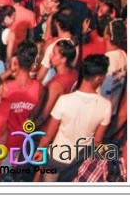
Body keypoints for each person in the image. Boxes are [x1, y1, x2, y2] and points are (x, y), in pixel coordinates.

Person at [37, 54, 113, 182]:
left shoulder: (64, 100)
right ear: (98, 78)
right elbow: (97, 141)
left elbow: (48, 136)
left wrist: (40, 150)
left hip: (56, 157)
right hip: (78, 162)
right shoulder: (106, 106)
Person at [0, 41, 43, 181]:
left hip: (5, 145)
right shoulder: (39, 88)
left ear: (16, 61)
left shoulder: (5, 87)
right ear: (33, 63)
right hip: (26, 146)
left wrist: (10, 71)